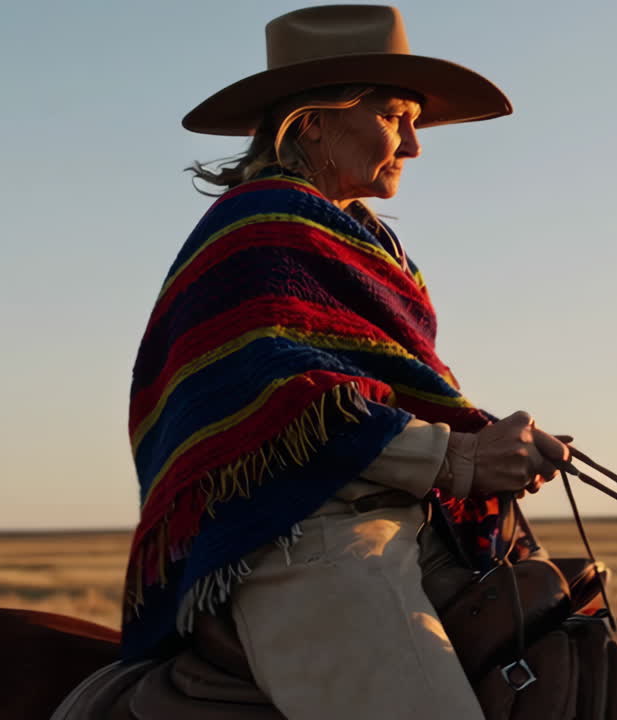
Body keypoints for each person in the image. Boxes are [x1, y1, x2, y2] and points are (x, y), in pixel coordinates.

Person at [121, 6, 566, 718]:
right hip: (313, 538)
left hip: (412, 529)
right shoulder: (262, 223)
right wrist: (458, 460)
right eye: (396, 116)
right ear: (314, 121)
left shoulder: (366, 244)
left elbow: (380, 386)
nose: (415, 146)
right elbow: (279, 390)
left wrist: (481, 447)